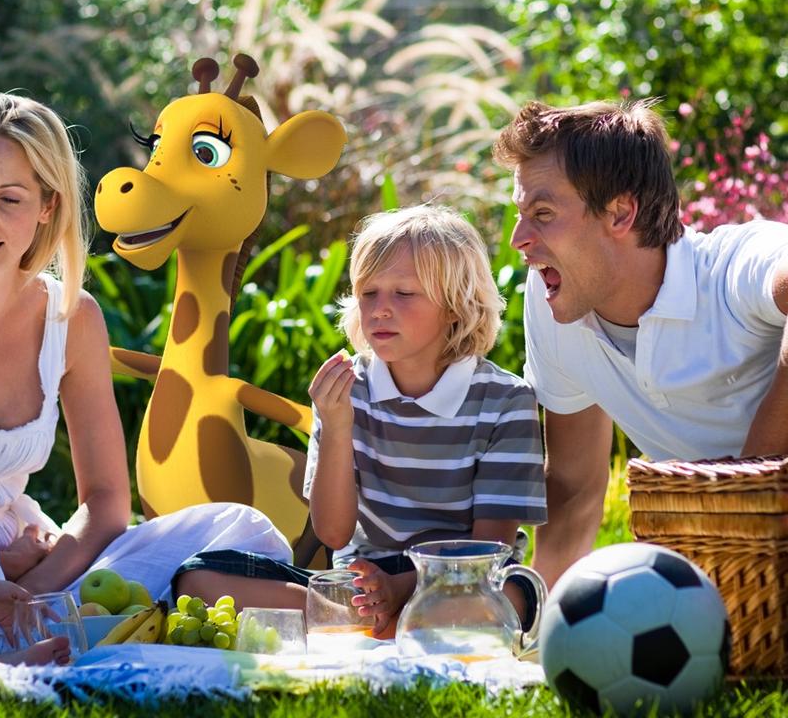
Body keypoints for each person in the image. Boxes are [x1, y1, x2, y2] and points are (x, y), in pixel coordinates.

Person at [0, 93, 293, 656]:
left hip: (33, 568)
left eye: (10, 198)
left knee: (238, 527)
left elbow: (104, 502)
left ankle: (20, 635)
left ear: (49, 206)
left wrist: (29, 590)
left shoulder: (71, 318)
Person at [175, 205, 547, 635]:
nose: (380, 309)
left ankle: (379, 621)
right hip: (361, 582)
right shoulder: (347, 390)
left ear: (456, 306)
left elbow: (491, 547)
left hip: (464, 579)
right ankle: (386, 624)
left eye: (403, 294)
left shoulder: (506, 400)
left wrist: (404, 588)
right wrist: (336, 426)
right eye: (368, 293)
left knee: (515, 594)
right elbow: (333, 534)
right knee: (199, 576)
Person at [494, 99, 788, 589]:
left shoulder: (730, 269)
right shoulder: (555, 307)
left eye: (543, 213)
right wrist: (531, 617)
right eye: (521, 214)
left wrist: (751, 477)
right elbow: (573, 485)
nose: (518, 239)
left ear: (620, 212)